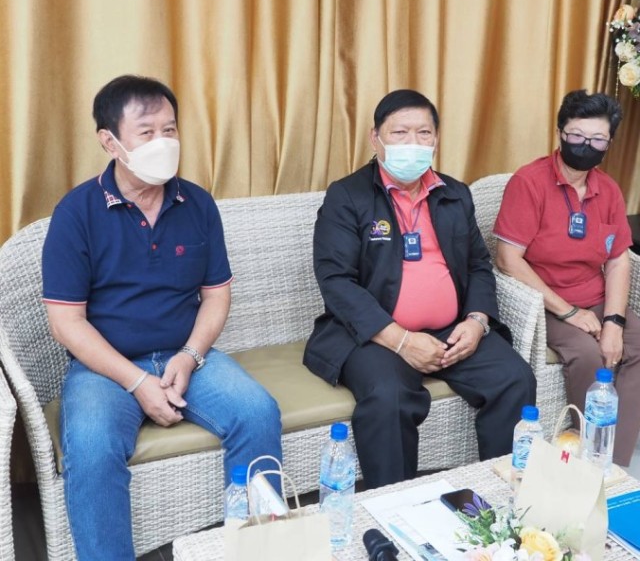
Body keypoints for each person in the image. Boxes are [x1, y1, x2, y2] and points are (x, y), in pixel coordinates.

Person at [42, 75, 282, 560]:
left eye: (169, 130)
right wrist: (137, 382)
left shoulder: (197, 203)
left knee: (258, 413)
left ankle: (258, 549)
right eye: (147, 132)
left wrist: (190, 356)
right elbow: (66, 323)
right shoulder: (76, 213)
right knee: (91, 448)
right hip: (105, 367)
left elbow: (216, 295)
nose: (163, 143)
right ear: (110, 141)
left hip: (186, 356)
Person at [304, 89, 536, 489]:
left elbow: (478, 265)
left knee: (514, 378)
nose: (412, 143)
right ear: (375, 138)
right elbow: (336, 281)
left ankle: (501, 496)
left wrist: (477, 321)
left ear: (436, 139)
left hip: (452, 331)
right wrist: (401, 341)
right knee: (388, 396)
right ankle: (393, 505)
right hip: (375, 336)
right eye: (400, 133)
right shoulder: (347, 196)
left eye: (423, 133)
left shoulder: (454, 193)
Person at [494, 89, 640, 468]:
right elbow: (508, 260)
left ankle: (611, 464)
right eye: (577, 135)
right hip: (543, 301)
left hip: (594, 297)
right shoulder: (529, 182)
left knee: (635, 343)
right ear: (560, 132)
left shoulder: (608, 189)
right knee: (589, 354)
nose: (586, 146)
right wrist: (569, 312)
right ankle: (583, 458)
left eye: (597, 139)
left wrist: (614, 322)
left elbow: (618, 261)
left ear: (609, 143)